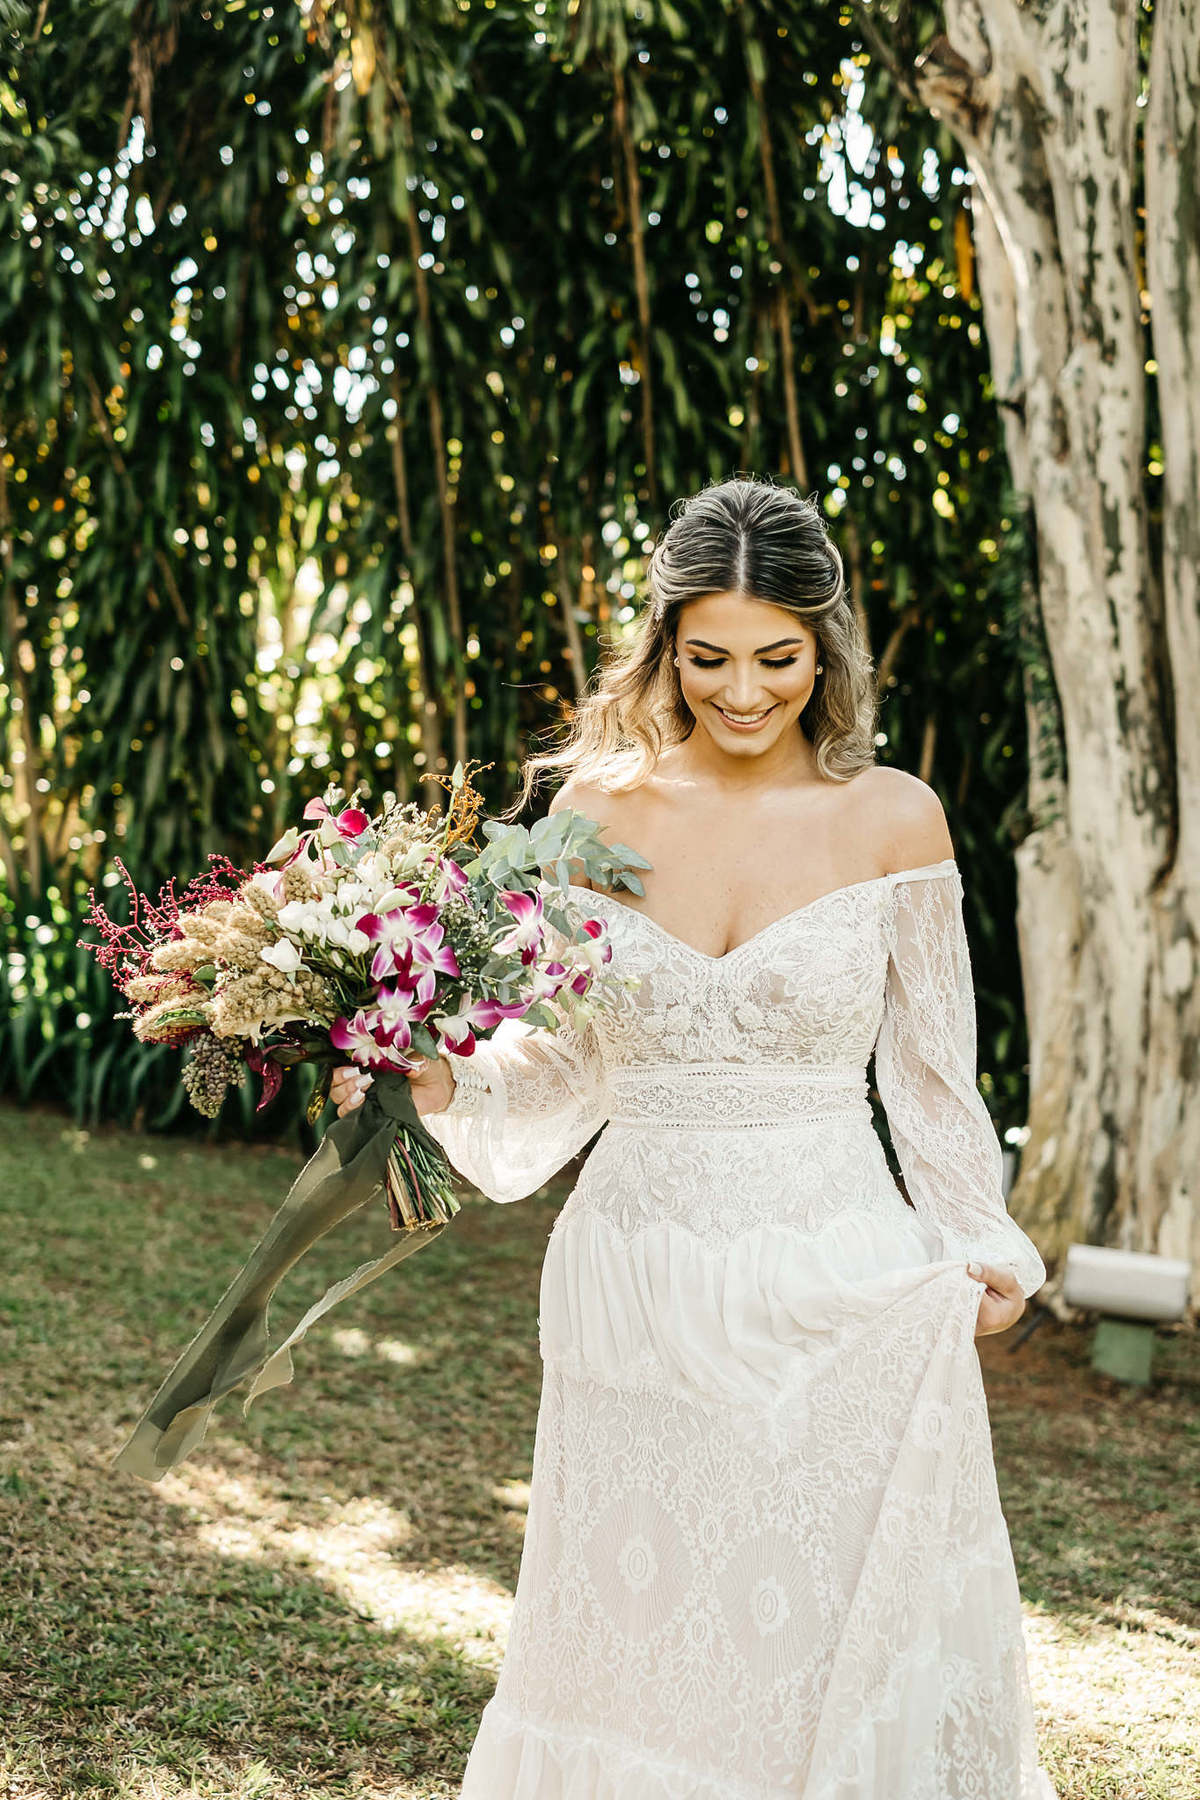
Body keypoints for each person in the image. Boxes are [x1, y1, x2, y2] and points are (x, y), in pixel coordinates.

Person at [332, 477, 1056, 1798]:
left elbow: (934, 1079)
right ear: (663, 645)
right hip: (636, 1280)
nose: (741, 690)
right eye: (707, 656)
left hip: (835, 1274)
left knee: (817, 1619)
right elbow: (564, 1061)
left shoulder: (895, 817)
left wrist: (979, 1240)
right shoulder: (588, 818)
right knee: (640, 1637)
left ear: (824, 648)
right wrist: (436, 1084)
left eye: (776, 658)